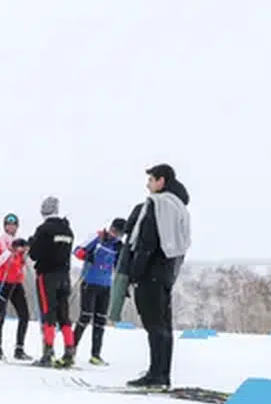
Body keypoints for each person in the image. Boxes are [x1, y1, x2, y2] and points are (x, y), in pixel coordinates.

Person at [126, 164, 192, 388]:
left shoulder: (158, 204)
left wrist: (134, 273)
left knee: (153, 324)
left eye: (151, 180)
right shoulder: (179, 206)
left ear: (161, 181)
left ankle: (155, 375)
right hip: (167, 271)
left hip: (150, 270)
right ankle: (163, 373)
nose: (148, 185)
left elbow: (147, 240)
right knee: (164, 325)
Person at [27, 196, 76, 367]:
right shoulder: (68, 230)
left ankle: (47, 353)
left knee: (48, 313)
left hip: (47, 275)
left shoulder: (44, 229)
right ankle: (70, 351)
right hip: (64, 275)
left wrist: (31, 243)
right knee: (64, 313)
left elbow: (34, 254)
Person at [72, 219, 125, 365]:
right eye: (115, 231)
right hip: (89, 281)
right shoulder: (98, 236)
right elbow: (76, 250)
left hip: (106, 285)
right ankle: (71, 349)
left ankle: (96, 355)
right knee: (85, 316)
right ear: (111, 228)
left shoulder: (119, 246)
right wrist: (86, 255)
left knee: (100, 320)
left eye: (119, 234)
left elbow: (119, 266)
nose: (116, 235)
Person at [0, 214, 32, 360]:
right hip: (2, 282)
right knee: (0, 316)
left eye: (14, 225)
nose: (11, 227)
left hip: (16, 284)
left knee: (25, 315)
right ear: (5, 226)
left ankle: (19, 349)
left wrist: (25, 251)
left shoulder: (18, 242)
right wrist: (10, 251)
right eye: (9, 224)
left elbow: (22, 263)